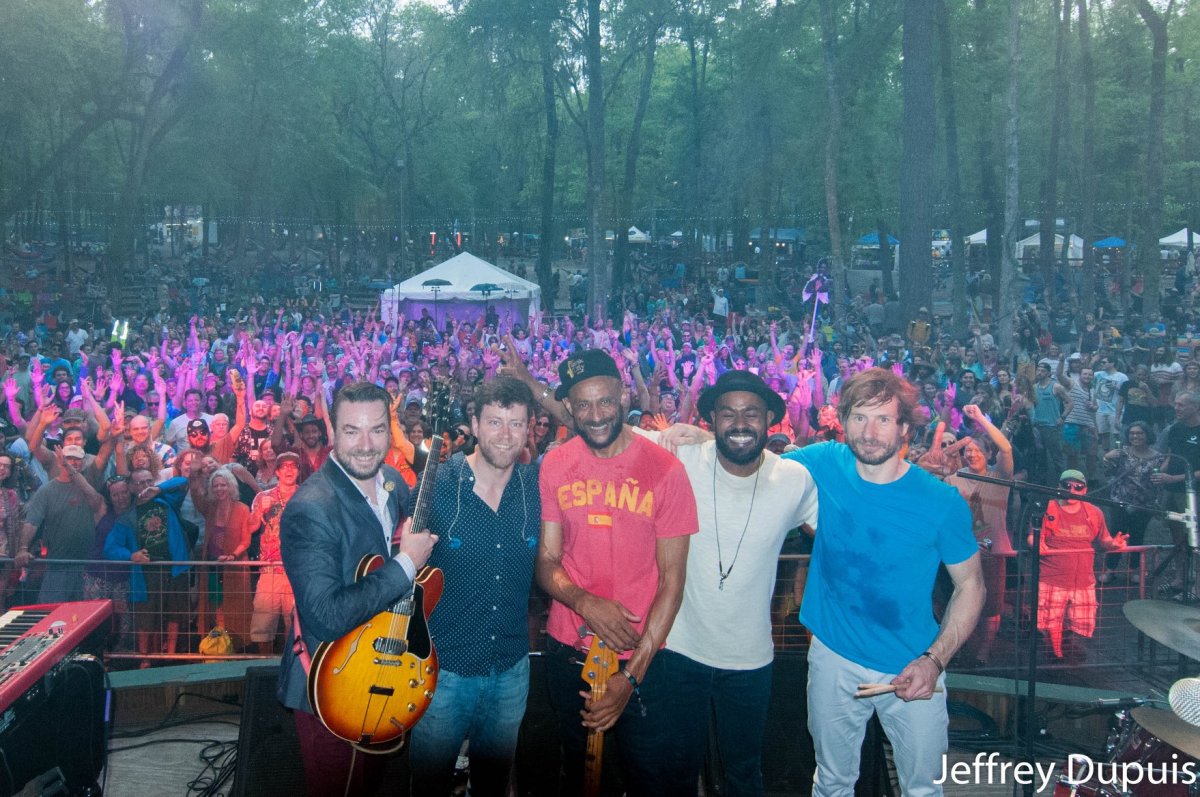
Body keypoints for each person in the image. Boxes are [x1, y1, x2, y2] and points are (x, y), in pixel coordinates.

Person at [781, 367, 984, 796]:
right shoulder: (824, 461)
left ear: (905, 428)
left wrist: (934, 662)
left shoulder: (941, 501)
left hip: (913, 662)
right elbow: (755, 465)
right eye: (859, 417)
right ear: (843, 421)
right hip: (834, 656)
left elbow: (972, 587)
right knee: (831, 782)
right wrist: (692, 441)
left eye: (883, 419)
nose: (869, 433)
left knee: (923, 789)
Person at [536, 349, 698, 795]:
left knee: (649, 778)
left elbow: (673, 582)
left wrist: (630, 678)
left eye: (605, 401)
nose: (596, 416)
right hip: (568, 649)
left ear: (624, 395)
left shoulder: (666, 470)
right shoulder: (555, 464)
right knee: (582, 777)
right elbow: (547, 561)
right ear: (568, 407)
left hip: (641, 657)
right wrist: (585, 602)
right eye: (583, 405)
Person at [656, 370, 818, 795]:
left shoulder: (795, 479)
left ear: (769, 420)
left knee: (744, 775)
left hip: (750, 660)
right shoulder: (683, 456)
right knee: (675, 772)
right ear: (711, 419)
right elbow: (607, 429)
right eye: (728, 414)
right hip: (680, 651)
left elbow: (843, 539)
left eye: (751, 413)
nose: (740, 423)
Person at [277, 381, 437, 797]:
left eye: (377, 430)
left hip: (382, 671)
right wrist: (407, 563)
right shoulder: (310, 508)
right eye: (352, 431)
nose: (366, 445)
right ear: (332, 429)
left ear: (390, 430)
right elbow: (326, 616)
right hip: (332, 687)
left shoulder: (392, 482)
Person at [408, 377, 541, 796]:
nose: (505, 434)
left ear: (529, 428)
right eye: (495, 422)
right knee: (427, 786)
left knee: (493, 786)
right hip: (443, 673)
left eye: (516, 423)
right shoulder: (437, 485)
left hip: (510, 671)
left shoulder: (537, 487)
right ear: (475, 424)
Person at [1032, 470, 1128, 660]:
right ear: (1059, 487)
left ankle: (1063, 646)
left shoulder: (1094, 512)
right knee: (1051, 621)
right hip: (1053, 576)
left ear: (1084, 490)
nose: (1072, 490)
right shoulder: (1047, 509)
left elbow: (1104, 540)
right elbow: (1032, 536)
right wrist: (1036, 543)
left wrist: (1114, 544)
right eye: (1067, 485)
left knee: (1079, 620)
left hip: (1083, 578)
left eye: (1077, 486)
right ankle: (1055, 654)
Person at [945, 404, 1014, 665]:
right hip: (961, 552)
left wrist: (981, 420)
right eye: (968, 451)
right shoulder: (954, 478)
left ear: (988, 454)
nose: (972, 454)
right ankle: (960, 647)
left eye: (977, 450)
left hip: (993, 552)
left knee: (991, 605)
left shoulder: (999, 477)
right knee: (959, 599)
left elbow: (1006, 448)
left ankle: (984, 652)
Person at [16, 445, 107, 602]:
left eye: (77, 459)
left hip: (89, 567)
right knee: (51, 610)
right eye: (68, 459)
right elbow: (31, 522)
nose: (72, 462)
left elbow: (95, 501)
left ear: (83, 463)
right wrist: (23, 549)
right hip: (58, 565)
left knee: (85, 613)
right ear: (59, 462)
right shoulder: (47, 491)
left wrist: (69, 468)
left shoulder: (88, 485)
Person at [246, 451, 300, 654]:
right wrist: (260, 511)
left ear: (298, 471)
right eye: (284, 466)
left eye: (293, 466)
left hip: (297, 571)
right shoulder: (263, 496)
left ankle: (292, 666)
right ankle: (264, 664)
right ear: (277, 471)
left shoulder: (307, 496)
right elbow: (250, 528)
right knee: (262, 626)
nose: (289, 470)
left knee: (295, 626)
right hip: (269, 571)